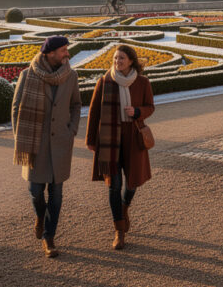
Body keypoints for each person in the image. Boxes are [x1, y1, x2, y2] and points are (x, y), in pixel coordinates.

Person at [11, 36, 81, 258]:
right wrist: (20, 135)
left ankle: (49, 238)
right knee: (35, 192)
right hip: (35, 143)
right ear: (50, 53)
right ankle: (40, 216)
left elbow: (76, 104)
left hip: (60, 142)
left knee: (57, 195)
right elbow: (16, 107)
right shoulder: (28, 75)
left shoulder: (71, 76)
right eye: (63, 50)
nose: (67, 54)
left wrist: (71, 130)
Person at [86, 44, 155, 250]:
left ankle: (124, 208)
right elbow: (94, 113)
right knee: (114, 185)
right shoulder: (105, 81)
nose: (117, 62)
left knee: (132, 183)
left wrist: (137, 111)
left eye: (122, 58)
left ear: (131, 61)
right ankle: (119, 229)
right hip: (111, 138)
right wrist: (91, 140)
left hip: (133, 137)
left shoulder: (142, 82)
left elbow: (150, 107)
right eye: (115, 58)